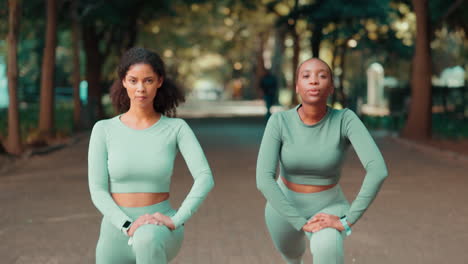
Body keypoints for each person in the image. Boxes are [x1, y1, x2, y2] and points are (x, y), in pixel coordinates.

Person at [88, 47, 214, 264]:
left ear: (159, 81)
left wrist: (177, 219)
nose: (140, 88)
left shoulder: (176, 128)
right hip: (115, 230)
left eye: (148, 80)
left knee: (146, 238)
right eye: (133, 80)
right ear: (124, 82)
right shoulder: (103, 129)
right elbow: (98, 190)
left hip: (158, 228)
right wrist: (127, 224)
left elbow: (205, 177)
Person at [256, 58, 388, 264]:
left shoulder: (346, 119)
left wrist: (348, 219)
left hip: (329, 205)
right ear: (297, 86)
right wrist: (300, 222)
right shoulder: (279, 122)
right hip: (282, 206)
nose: (314, 81)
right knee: (291, 257)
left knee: (327, 248)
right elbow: (264, 179)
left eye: (322, 75)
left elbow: (378, 170)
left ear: (331, 88)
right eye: (306, 76)